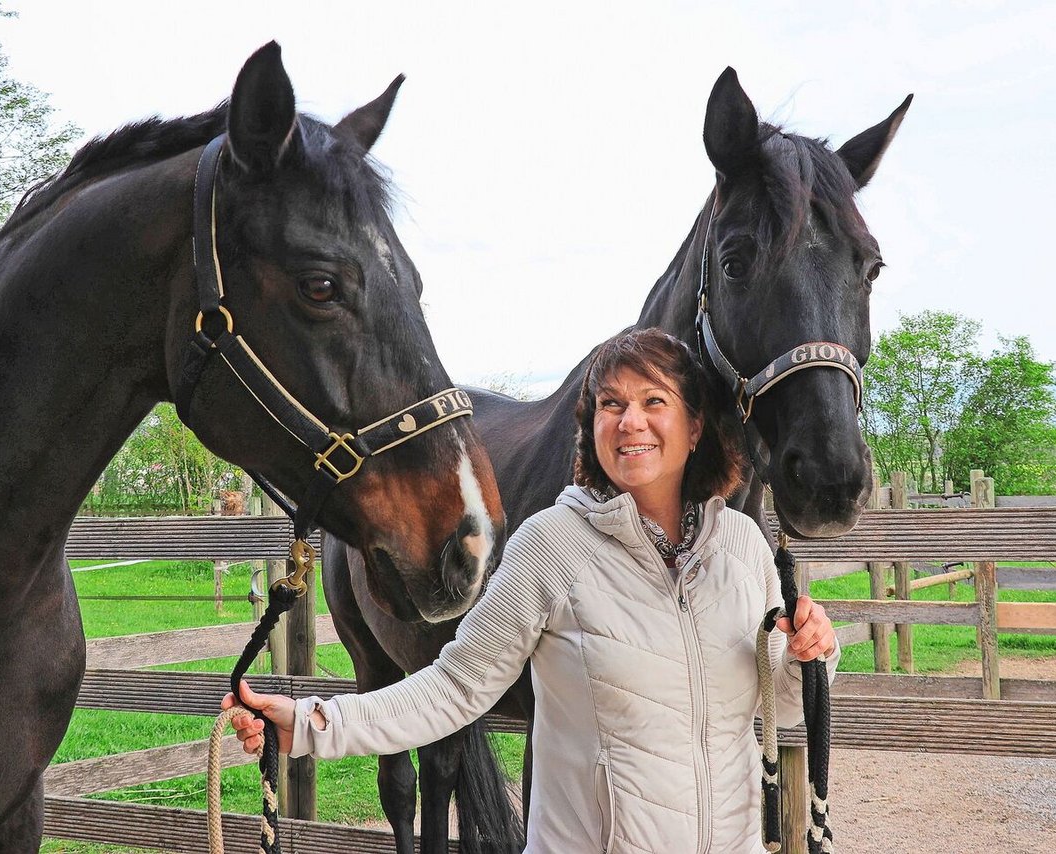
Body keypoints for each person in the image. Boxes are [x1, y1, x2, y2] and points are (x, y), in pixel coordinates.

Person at [223, 327, 839, 853]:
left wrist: (811, 659)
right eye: (609, 403)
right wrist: (308, 724)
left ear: (695, 425)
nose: (630, 421)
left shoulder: (743, 546)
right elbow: (453, 689)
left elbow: (772, 707)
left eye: (655, 400)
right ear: (590, 424)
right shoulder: (550, 546)